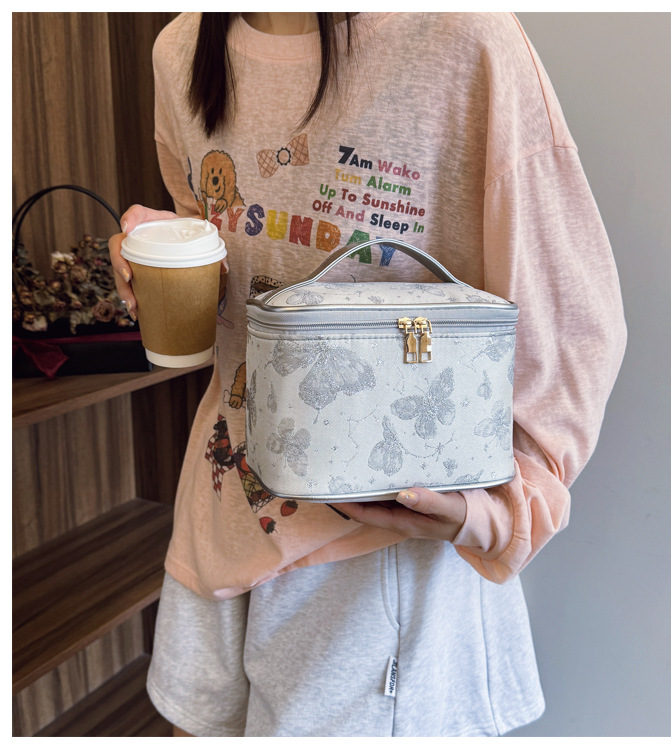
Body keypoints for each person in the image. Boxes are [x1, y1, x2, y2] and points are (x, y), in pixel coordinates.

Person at [110, 12, 626, 737]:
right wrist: (161, 248)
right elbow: (223, 243)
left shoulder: (460, 36)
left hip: (381, 550)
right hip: (224, 498)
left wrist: (503, 511)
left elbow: (569, 316)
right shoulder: (181, 49)